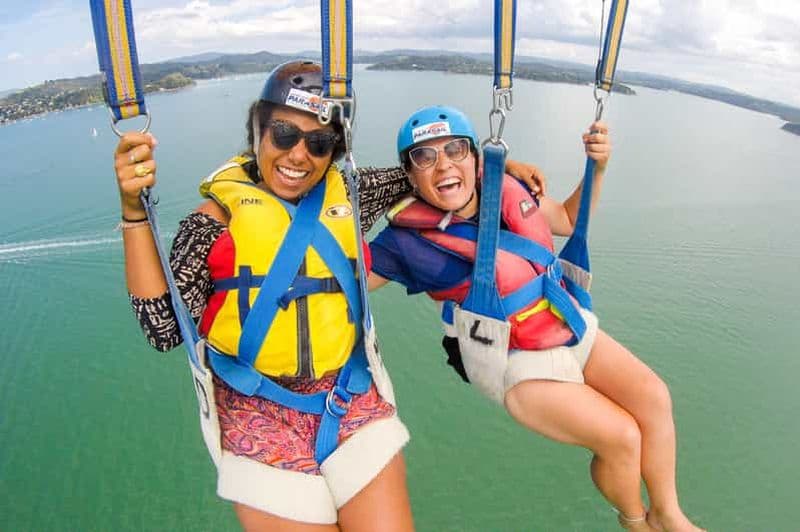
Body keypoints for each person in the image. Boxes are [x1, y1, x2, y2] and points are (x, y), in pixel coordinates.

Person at [367, 105, 705, 532]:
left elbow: (564, 218)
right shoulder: (404, 244)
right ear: (410, 175)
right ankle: (636, 523)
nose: (444, 165)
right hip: (514, 363)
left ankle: (668, 513)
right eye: (425, 157)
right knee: (623, 437)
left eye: (455, 149)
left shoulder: (507, 187)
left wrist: (597, 168)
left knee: (654, 398)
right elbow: (347, 276)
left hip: (564, 323)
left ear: (475, 157)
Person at [114, 61, 415, 532]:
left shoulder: (352, 193)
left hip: (348, 393)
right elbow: (163, 328)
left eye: (320, 142)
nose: (299, 155)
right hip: (254, 408)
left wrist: (492, 168)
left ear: (334, 150)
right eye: (283, 134)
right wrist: (134, 213)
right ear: (256, 128)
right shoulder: (211, 223)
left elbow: (425, 176)